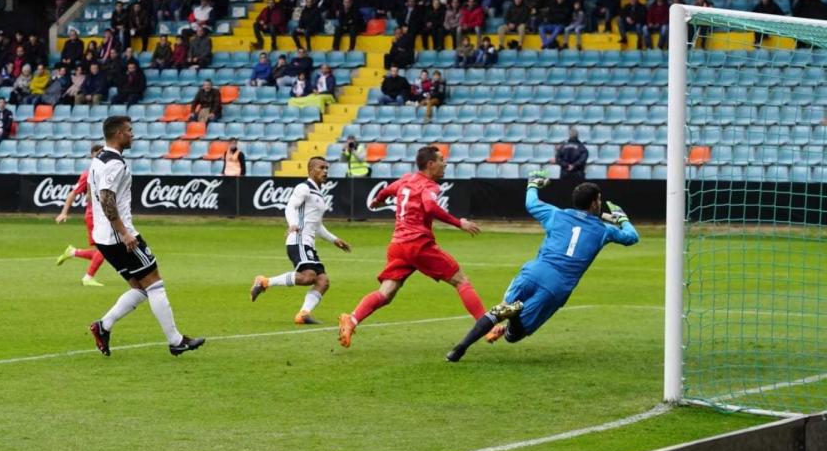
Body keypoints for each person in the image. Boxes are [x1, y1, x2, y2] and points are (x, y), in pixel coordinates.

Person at [445, 174, 639, 361]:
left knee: (501, 309)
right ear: (595, 203)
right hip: (557, 286)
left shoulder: (556, 215)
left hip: (535, 271)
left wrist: (532, 185)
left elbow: (531, 203)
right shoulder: (604, 230)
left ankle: (460, 348)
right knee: (513, 336)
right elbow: (632, 237)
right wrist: (622, 219)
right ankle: (514, 317)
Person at [337, 146, 489, 348]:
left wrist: (377, 201)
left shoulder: (406, 179)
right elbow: (430, 206)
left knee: (386, 292)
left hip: (398, 245)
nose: (446, 163)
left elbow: (386, 191)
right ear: (430, 164)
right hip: (418, 243)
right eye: (442, 160)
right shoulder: (430, 186)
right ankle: (487, 326)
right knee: (461, 280)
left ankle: (352, 319)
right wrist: (459, 223)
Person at [88, 116, 206, 357]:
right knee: (155, 283)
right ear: (119, 134)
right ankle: (176, 340)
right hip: (120, 237)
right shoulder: (114, 164)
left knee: (140, 288)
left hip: (103, 236)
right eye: (129, 131)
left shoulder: (99, 158)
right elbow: (105, 197)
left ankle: (103, 326)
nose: (133, 135)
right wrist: (125, 233)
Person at [251, 156, 351, 325]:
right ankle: (264, 282)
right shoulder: (303, 188)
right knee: (309, 277)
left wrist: (335, 240)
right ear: (311, 170)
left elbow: (317, 225)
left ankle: (303, 314)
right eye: (321, 168)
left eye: (327, 168)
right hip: (298, 240)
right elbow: (290, 206)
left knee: (323, 281)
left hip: (308, 243)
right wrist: (293, 224)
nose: (325, 171)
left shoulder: (318, 194)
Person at [56, 144, 107, 288]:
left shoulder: (106, 172)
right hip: (94, 216)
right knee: (105, 249)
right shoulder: (88, 174)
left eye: (103, 153)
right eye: (98, 153)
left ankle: (73, 252)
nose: (101, 155)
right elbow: (73, 193)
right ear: (92, 155)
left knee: (105, 250)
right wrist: (64, 212)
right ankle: (88, 277)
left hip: (104, 216)